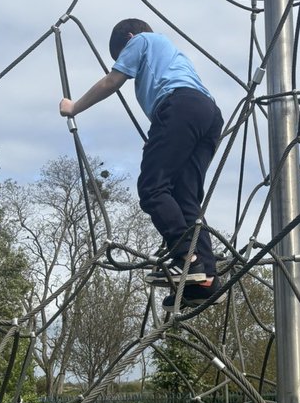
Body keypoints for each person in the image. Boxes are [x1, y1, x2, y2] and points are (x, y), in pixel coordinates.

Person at [59, 19, 223, 307]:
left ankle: (186, 257)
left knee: (152, 189)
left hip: (178, 107)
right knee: (185, 198)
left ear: (129, 38)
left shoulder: (141, 40)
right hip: (207, 114)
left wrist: (74, 107)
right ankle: (205, 280)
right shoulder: (172, 55)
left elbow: (112, 81)